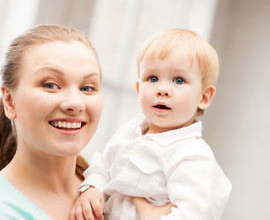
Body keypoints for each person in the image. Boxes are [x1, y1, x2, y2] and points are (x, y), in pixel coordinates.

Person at [0, 24, 104, 219]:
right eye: (50, 85)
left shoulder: (107, 185)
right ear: (9, 101)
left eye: (87, 88)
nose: (75, 103)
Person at [72, 28, 232, 220]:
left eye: (179, 80)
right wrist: (93, 189)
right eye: (153, 78)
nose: (162, 89)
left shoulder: (193, 155)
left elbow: (195, 213)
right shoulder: (129, 133)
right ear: (139, 89)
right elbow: (104, 167)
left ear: (204, 97)